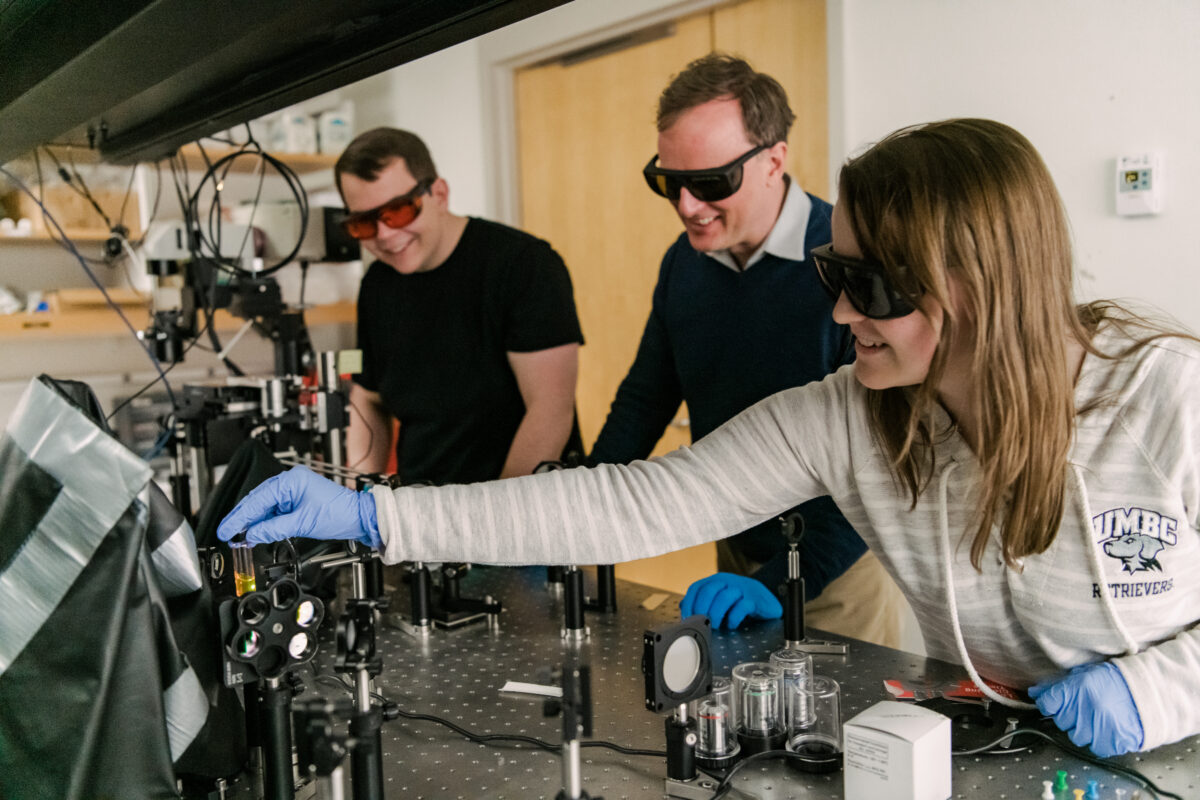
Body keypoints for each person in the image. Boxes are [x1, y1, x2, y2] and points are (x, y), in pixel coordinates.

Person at [220, 118, 1200, 758]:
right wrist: (370, 511)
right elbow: (627, 498)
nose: (842, 310)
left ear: (978, 284)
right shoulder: (851, 412)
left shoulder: (1169, 396)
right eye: (833, 273)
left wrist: (1153, 687)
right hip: (987, 755)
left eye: (873, 286)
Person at [590, 53, 906, 643]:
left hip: (836, 568)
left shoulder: (849, 263)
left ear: (773, 160)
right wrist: (571, 513)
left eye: (711, 182)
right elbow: (644, 400)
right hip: (737, 551)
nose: (688, 206)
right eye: (669, 182)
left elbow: (883, 454)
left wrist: (789, 579)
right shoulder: (683, 262)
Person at [336, 127, 583, 484]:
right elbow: (367, 396)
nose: (385, 235)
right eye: (363, 222)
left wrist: (498, 517)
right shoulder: (377, 284)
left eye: (399, 211)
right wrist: (359, 492)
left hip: (521, 504)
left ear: (439, 194)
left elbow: (550, 410)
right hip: (422, 510)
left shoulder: (523, 265)